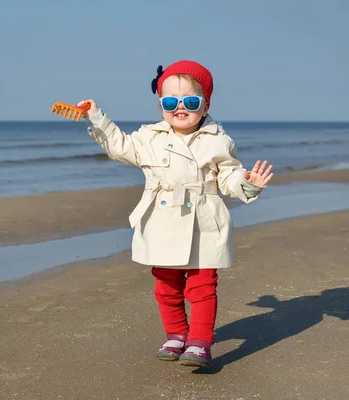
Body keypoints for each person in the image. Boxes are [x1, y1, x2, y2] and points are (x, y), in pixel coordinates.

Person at [77, 60, 273, 367]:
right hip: (162, 219)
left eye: (190, 101)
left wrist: (247, 183)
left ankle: (199, 342)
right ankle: (177, 334)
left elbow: (228, 177)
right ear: (161, 106)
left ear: (205, 106)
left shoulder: (218, 141)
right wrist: (96, 117)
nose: (180, 108)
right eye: (171, 102)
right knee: (166, 282)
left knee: (202, 283)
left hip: (203, 220)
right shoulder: (148, 138)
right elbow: (119, 145)